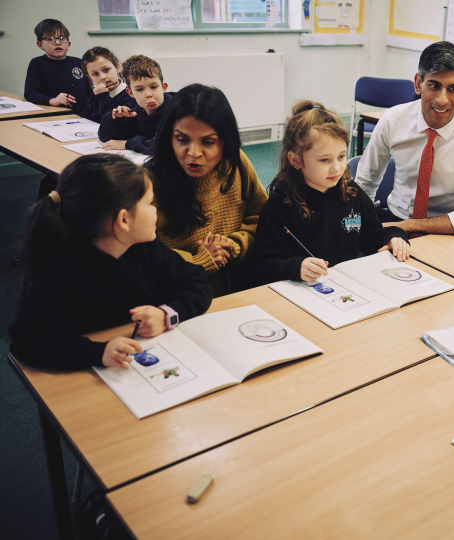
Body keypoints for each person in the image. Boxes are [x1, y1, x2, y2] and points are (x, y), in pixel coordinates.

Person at [8, 154, 212, 371]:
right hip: (92, 382)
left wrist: (166, 315)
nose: (155, 210)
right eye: (150, 203)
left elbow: (197, 283)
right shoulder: (62, 270)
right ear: (124, 219)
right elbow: (29, 341)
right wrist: (98, 352)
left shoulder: (145, 248)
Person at [251, 101, 410, 284]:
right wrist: (296, 267)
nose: (337, 168)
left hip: (348, 287)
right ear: (295, 160)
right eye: (325, 160)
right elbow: (264, 266)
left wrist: (393, 236)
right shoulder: (280, 205)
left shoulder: (351, 192)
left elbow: (370, 234)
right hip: (303, 293)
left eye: (341, 156)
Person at [355, 41, 454, 236]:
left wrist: (411, 226)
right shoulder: (393, 120)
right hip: (397, 220)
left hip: (452, 229)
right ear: (418, 84)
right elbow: (365, 183)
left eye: (453, 89)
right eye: (434, 85)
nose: (442, 99)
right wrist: (359, 231)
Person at [144, 83, 267, 296]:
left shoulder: (236, 165)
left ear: (225, 141)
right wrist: (199, 260)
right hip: (172, 297)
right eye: (182, 139)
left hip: (231, 290)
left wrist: (233, 244)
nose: (193, 153)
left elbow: (264, 221)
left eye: (208, 142)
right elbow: (141, 256)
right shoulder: (148, 183)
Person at [98, 54, 174, 155]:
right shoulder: (136, 113)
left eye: (154, 87)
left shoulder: (176, 111)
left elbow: (166, 145)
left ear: (163, 87)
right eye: (139, 89)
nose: (148, 94)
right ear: (130, 93)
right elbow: (105, 138)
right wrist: (116, 119)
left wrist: (128, 144)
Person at [24, 18, 91, 115]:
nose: (58, 42)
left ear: (68, 44)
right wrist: (51, 100)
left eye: (62, 38)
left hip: (83, 115)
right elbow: (30, 93)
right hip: (54, 116)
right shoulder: (37, 63)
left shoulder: (79, 63)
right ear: (40, 45)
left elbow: (89, 93)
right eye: (50, 39)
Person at [80, 46, 137, 123]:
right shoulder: (97, 93)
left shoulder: (130, 95)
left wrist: (103, 97)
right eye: (95, 74)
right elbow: (86, 116)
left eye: (106, 70)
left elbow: (113, 123)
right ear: (90, 78)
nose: (103, 77)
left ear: (117, 68)